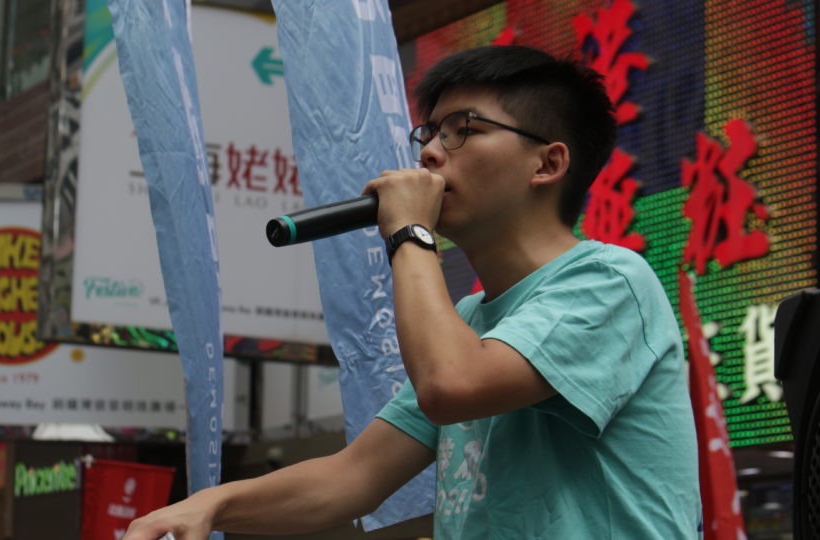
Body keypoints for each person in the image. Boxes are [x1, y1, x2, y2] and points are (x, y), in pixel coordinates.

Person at [123, 45, 702, 539]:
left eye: (464, 131)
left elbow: (451, 385)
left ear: (547, 164)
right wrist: (212, 504)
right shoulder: (472, 319)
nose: (428, 153)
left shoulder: (609, 281)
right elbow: (351, 478)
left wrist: (409, 232)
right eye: (430, 133)